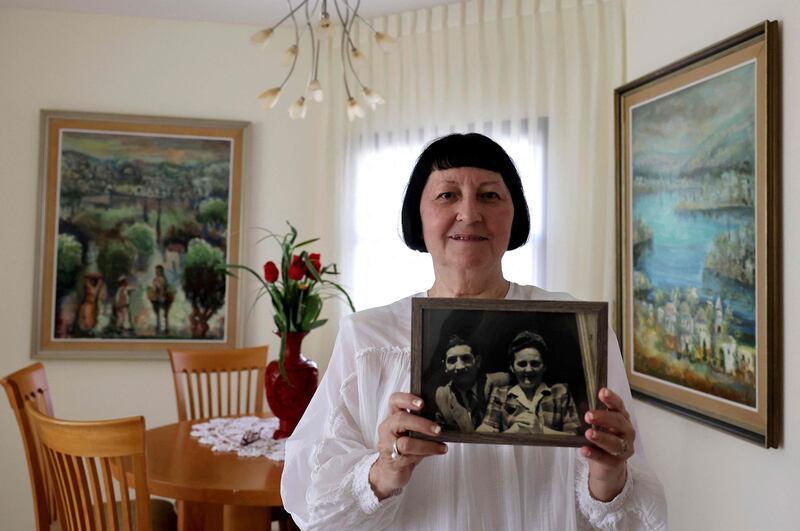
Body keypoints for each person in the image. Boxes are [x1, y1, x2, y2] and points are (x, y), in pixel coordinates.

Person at [283, 133, 667, 530]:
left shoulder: (578, 330)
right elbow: (311, 500)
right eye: (447, 195)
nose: (469, 214)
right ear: (419, 215)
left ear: (514, 214)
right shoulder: (368, 339)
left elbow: (629, 518)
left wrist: (608, 473)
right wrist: (383, 471)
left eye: (489, 196)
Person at [478, 330, 581, 434]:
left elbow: (573, 436)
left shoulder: (560, 392)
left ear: (544, 366)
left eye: (535, 363)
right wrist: (514, 431)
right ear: (512, 367)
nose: (528, 369)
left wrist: (541, 430)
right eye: (522, 364)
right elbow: (485, 433)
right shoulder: (500, 394)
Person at [434, 334, 488, 431]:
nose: (460, 367)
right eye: (452, 360)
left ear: (478, 361)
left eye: (466, 358)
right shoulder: (443, 396)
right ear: (445, 366)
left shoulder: (498, 382)